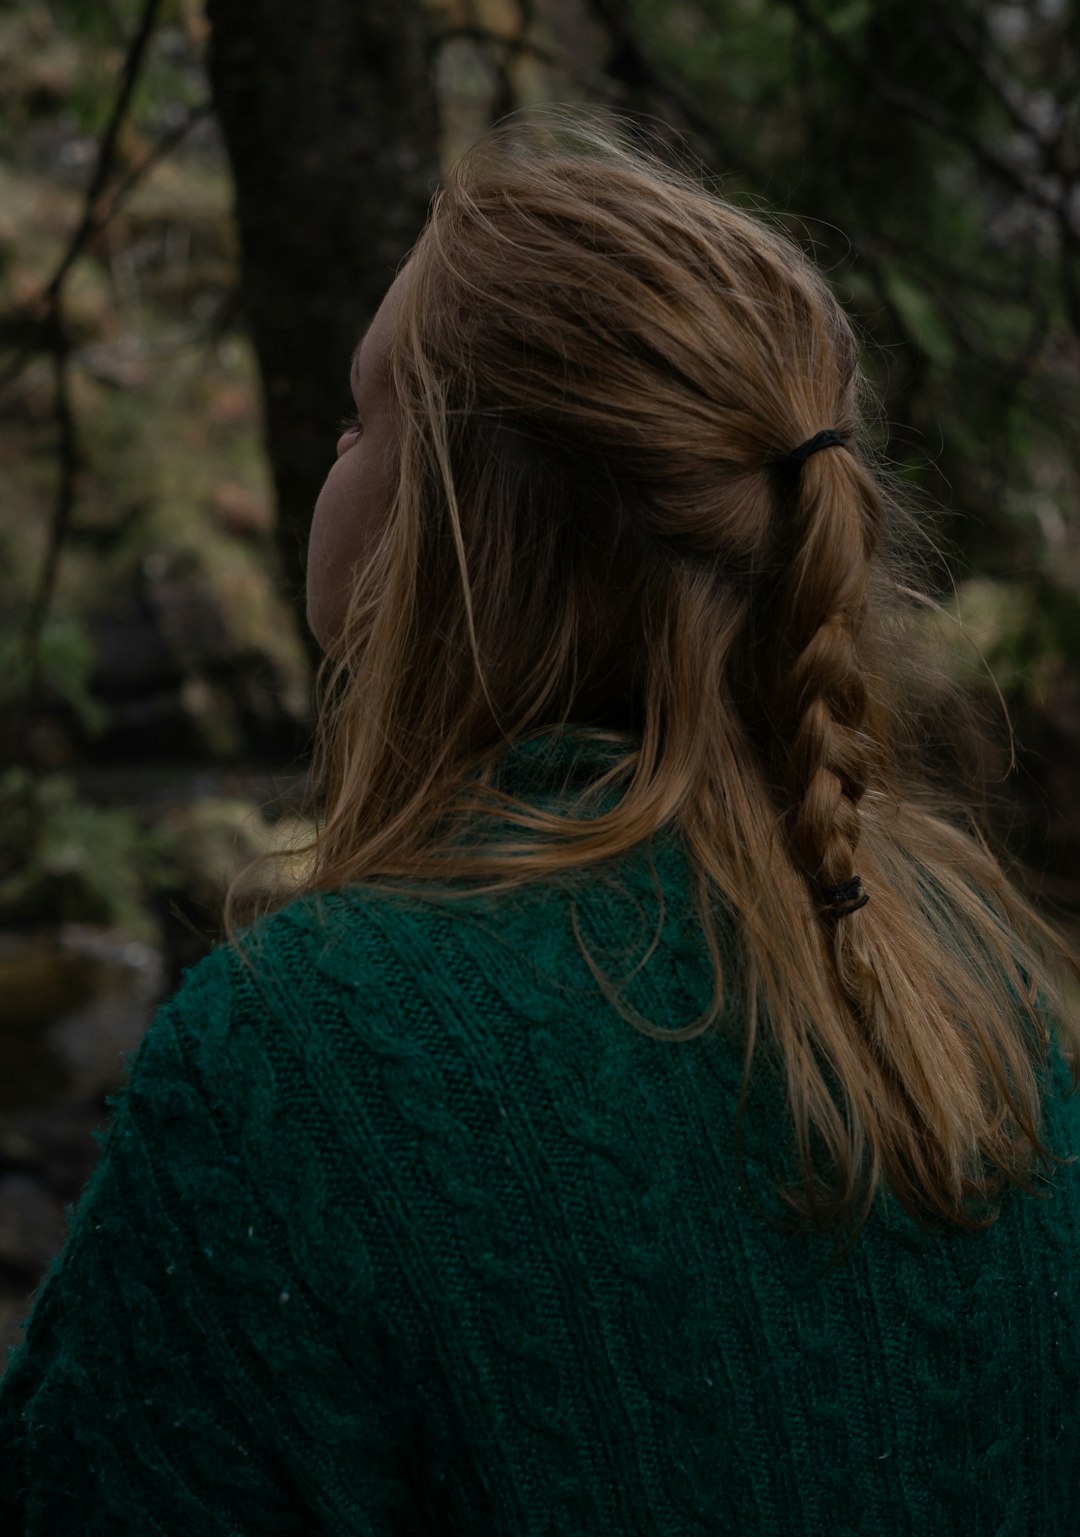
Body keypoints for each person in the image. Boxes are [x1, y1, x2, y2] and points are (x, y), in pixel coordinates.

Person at [2, 113, 1079, 1535]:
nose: (332, 457)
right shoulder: (986, 990)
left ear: (451, 520)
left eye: (356, 421)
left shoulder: (307, 1051)